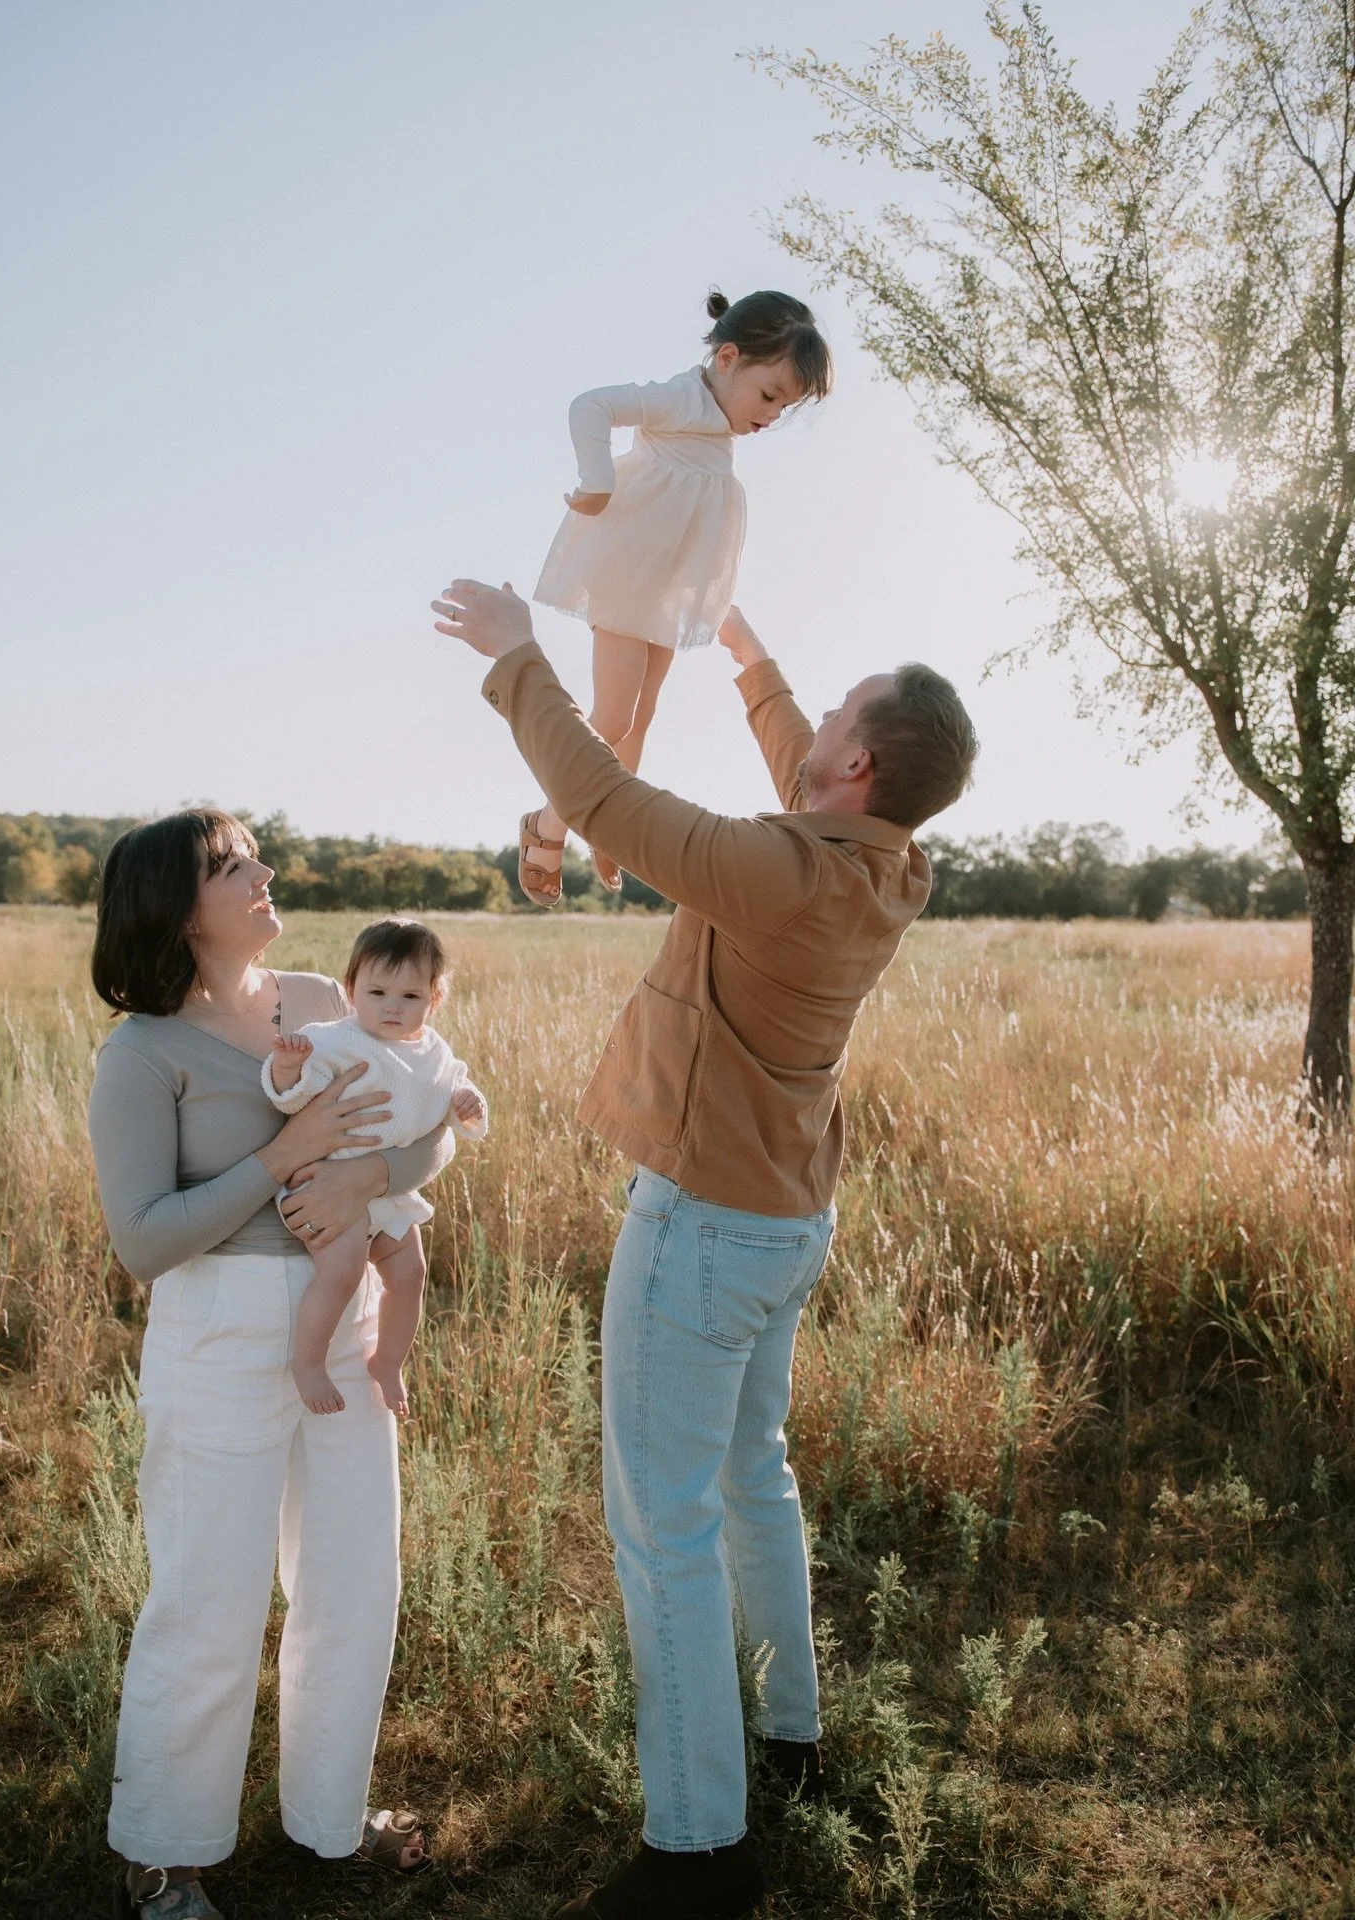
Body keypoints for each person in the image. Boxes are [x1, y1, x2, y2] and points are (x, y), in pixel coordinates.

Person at [432, 580, 978, 1920]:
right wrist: (744, 652)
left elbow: (611, 802)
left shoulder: (782, 873)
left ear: (855, 763)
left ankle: (696, 1846)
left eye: (839, 714)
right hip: (786, 1223)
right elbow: (810, 757)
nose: (820, 718)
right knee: (751, 1481)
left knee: (660, 1526)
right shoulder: (891, 862)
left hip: (703, 1233)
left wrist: (520, 656)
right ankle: (789, 1732)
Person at [87, 810, 449, 1920]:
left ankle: (330, 1821)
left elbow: (427, 1119)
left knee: (352, 1580)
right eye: (236, 864)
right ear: (179, 907)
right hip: (221, 1329)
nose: (266, 871)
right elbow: (145, 1239)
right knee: (211, 1599)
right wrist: (282, 1159)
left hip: (345, 1317)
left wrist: (375, 1168)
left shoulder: (331, 1000)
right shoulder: (142, 1054)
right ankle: (164, 1849)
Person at [520, 289, 832, 902]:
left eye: (785, 407)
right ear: (728, 359)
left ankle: (608, 823)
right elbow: (591, 406)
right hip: (626, 570)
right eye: (769, 395)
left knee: (643, 716)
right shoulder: (679, 399)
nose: (771, 415)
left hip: (665, 584)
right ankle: (546, 825)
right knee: (611, 716)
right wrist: (596, 480)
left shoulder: (722, 421)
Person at [262, 917, 487, 1417]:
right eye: (378, 991)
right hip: (331, 1186)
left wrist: (466, 1103)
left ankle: (388, 1361)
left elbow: (450, 1092)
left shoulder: (433, 1050)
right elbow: (291, 1100)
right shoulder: (331, 1040)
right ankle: (308, 1362)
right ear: (351, 990)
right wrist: (287, 1068)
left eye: (410, 997)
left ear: (434, 1000)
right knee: (340, 1273)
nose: (392, 1006)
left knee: (410, 1273)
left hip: (389, 1196)